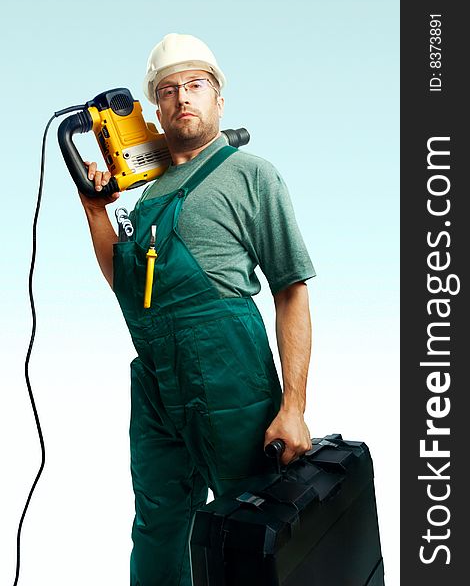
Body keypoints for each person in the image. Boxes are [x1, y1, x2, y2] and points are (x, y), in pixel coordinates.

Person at [79, 33, 315, 586]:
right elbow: (129, 286)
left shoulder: (251, 173)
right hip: (157, 378)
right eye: (168, 90)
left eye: (196, 85)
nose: (183, 96)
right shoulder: (147, 189)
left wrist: (294, 404)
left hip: (227, 371)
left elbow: (292, 290)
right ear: (155, 111)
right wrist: (96, 212)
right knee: (159, 523)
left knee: (247, 520)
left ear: (218, 101)